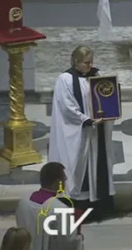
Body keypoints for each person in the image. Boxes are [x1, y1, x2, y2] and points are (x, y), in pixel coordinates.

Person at [48, 45, 115, 222]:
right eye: (86, 62)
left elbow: (108, 95)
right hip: (79, 133)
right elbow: (67, 107)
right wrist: (86, 120)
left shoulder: (97, 75)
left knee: (97, 166)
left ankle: (98, 208)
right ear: (76, 62)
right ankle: (78, 209)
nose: (90, 64)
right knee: (78, 168)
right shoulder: (65, 79)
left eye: (91, 61)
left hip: (96, 133)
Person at [16, 162, 84, 250]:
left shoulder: (23, 203)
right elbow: (69, 247)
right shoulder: (60, 209)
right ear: (58, 182)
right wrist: (79, 237)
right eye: (64, 179)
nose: (65, 182)